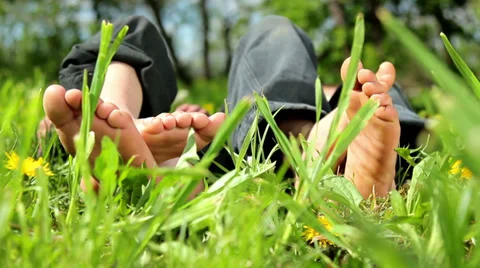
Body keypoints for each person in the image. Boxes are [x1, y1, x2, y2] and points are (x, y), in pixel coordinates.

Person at [41, 15, 424, 198]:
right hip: (246, 152)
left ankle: (124, 130)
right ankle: (311, 141)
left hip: (237, 154)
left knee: (136, 34)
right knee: (276, 33)